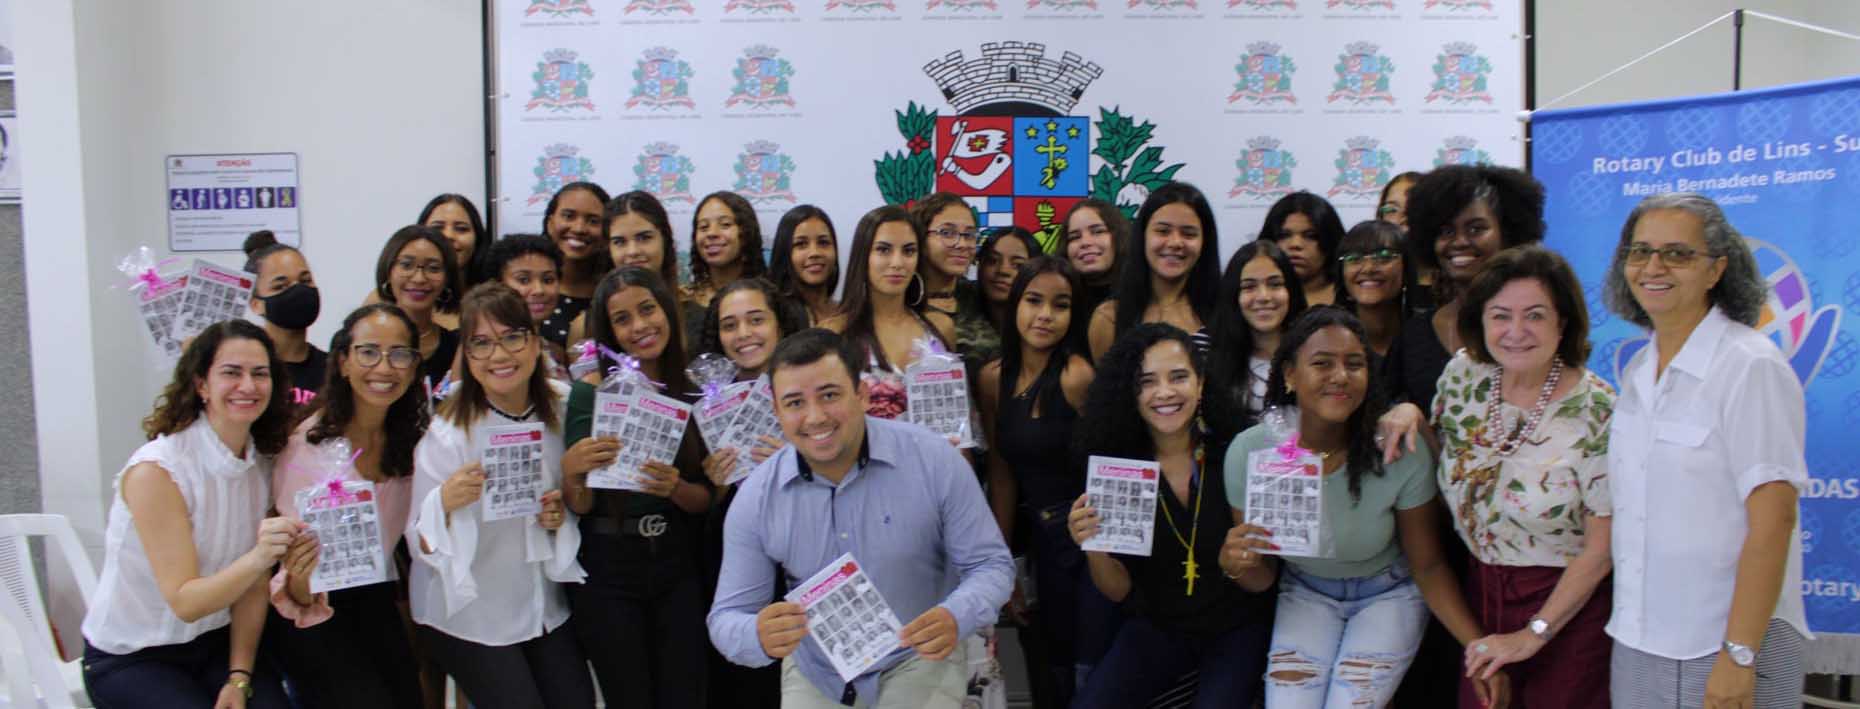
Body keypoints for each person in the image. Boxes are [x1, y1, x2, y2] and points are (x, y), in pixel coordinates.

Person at [706, 328, 1015, 708]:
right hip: (817, 668)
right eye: (794, 402)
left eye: (830, 395)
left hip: (917, 655)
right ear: (777, 412)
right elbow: (725, 618)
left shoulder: (934, 461)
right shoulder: (756, 497)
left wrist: (955, 615)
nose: (815, 417)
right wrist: (756, 635)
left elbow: (992, 565)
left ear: (862, 395)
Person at [1222, 307, 1500, 709]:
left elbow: (1428, 566)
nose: (1340, 376)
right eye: (1321, 363)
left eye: (1355, 364)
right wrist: (1234, 560)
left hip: (1388, 593)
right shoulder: (1252, 452)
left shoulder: (1396, 449)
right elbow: (1260, 579)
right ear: (1288, 374)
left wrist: (1478, 646)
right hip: (1305, 591)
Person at [1601, 193, 1809, 708]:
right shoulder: (1636, 373)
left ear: (1717, 269)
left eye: (1677, 253)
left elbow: (1774, 519)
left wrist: (1739, 655)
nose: (1653, 266)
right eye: (1639, 251)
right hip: (1639, 637)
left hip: (1727, 641)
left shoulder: (1748, 365)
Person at [1381, 164, 1545, 708]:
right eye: (1446, 230)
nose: (1459, 243)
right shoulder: (1416, 333)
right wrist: (1408, 412)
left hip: (1518, 555)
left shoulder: (1539, 331)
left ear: (1509, 231)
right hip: (1432, 547)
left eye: (1475, 228)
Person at [1425, 244, 1617, 707]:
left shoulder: (1598, 411)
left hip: (1567, 610)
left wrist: (1534, 634)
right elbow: (1446, 462)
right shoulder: (1463, 377)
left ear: (1562, 322)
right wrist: (1408, 415)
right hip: (1479, 596)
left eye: (1533, 315)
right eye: (1499, 316)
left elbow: (1601, 550)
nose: (1515, 332)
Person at [81, 320, 297, 709]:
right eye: (231, 373)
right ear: (201, 385)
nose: (248, 386)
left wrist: (239, 677)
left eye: (260, 374)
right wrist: (261, 556)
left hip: (213, 645)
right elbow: (185, 600)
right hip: (132, 656)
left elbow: (252, 586)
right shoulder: (158, 471)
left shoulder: (261, 464)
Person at [1065, 323, 1273, 709]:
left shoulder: (1234, 454)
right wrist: (1093, 547)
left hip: (1236, 628)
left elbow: (1263, 584)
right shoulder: (1118, 469)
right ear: (1131, 393)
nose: (1164, 392)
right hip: (1158, 627)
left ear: (1201, 385)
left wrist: (1237, 565)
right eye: (1147, 382)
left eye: (1179, 377)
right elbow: (1119, 591)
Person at [406, 283, 593, 708]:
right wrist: (446, 504)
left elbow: (581, 498)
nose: (499, 355)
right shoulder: (450, 434)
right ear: (467, 355)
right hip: (470, 612)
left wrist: (561, 514)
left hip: (545, 602)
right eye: (482, 344)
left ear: (534, 341)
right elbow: (420, 543)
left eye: (512, 337)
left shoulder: (564, 407)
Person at [561, 267, 715, 708]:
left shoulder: (694, 390)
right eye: (622, 319)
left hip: (677, 561)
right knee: (629, 696)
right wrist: (572, 470)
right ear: (608, 332)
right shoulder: (590, 394)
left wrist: (675, 488)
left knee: (685, 692)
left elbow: (706, 499)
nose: (641, 326)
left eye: (648, 309)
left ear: (667, 309)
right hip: (608, 566)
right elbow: (582, 503)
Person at [267, 304, 429, 708]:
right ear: (342, 361)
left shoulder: (412, 441)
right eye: (369, 352)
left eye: (399, 354)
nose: (385, 367)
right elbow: (294, 579)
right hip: (311, 607)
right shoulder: (308, 447)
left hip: (375, 597)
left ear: (413, 367)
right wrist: (303, 582)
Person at [979, 256, 1111, 708]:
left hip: (1082, 542)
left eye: (1060, 305)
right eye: (1033, 301)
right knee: (1041, 663)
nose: (1044, 316)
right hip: (1032, 539)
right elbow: (1001, 473)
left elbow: (1106, 471)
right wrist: (1000, 564)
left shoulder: (1078, 376)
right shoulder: (993, 378)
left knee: (1082, 665)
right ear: (1015, 303)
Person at [695, 276, 809, 709]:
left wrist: (799, 459)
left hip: (801, 549)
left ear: (780, 324)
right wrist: (714, 481)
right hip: (732, 553)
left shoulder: (809, 387)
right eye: (730, 325)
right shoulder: (707, 403)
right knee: (739, 677)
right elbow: (701, 503)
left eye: (756, 320)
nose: (743, 334)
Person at [821, 205, 956, 419]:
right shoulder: (835, 332)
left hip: (935, 451)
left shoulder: (941, 327)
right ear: (863, 256)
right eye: (884, 250)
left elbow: (955, 419)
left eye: (909, 251)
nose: (898, 263)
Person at [1088, 182, 1222, 362]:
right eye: (1163, 231)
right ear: (1143, 236)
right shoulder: (1109, 317)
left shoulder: (1224, 311)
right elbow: (1106, 388)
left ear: (1204, 242)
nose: (1175, 242)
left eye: (1188, 234)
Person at [566, 190, 693, 348]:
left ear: (665, 240)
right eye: (619, 242)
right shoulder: (585, 327)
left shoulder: (694, 313)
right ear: (608, 249)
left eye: (644, 238)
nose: (632, 251)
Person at [1206, 240, 1305, 427]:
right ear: (1234, 296)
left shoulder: (1312, 354)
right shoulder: (1213, 362)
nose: (1264, 297)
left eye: (1275, 284)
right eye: (1249, 287)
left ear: (1291, 290)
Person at [911, 193, 997, 372]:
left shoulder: (980, 295)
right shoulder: (903, 304)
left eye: (969, 234)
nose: (962, 244)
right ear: (919, 238)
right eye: (947, 233)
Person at [372, 226, 462, 395]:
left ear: (447, 279)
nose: (419, 278)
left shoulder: (458, 347)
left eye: (433, 268)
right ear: (388, 271)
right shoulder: (366, 344)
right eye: (406, 265)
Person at [243, 231, 324, 409]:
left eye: (305, 280)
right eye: (280, 286)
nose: (298, 291)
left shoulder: (334, 368)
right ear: (255, 303)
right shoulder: (245, 370)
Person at [485, 235, 570, 381]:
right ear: (497, 285)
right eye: (523, 280)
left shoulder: (556, 352)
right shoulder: (482, 350)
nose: (539, 290)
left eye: (548, 280)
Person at [540, 181, 614, 348]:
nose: (579, 228)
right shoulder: (529, 289)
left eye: (593, 221)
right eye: (568, 216)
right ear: (550, 223)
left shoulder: (615, 291)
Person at [1331, 221, 1418, 357]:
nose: (1368, 268)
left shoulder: (1427, 333)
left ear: (1406, 270)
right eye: (1354, 258)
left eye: (1384, 257)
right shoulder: (1326, 336)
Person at [1259, 192, 1347, 307]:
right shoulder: (1255, 300)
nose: (1295, 244)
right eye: (1284, 235)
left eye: (1311, 236)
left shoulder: (1351, 296)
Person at [686, 191, 769, 308]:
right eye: (704, 227)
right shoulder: (683, 300)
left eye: (725, 224)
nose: (711, 233)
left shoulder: (770, 297)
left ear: (746, 233)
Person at [766, 204, 841, 326]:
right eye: (801, 244)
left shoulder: (850, 315)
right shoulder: (775, 316)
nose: (815, 253)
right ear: (784, 253)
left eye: (823, 242)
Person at [1062, 199, 1129, 323]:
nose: (1085, 242)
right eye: (1075, 237)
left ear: (1119, 237)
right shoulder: (1061, 301)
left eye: (1098, 232)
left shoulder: (1144, 295)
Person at [419, 194, 492, 296]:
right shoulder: (406, 301)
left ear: (477, 238)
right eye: (437, 228)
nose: (449, 235)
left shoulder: (495, 300)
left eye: (461, 228)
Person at [977, 226, 1038, 337]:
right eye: (992, 260)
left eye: (1018, 265)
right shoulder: (960, 301)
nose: (1003, 270)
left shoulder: (1042, 323)